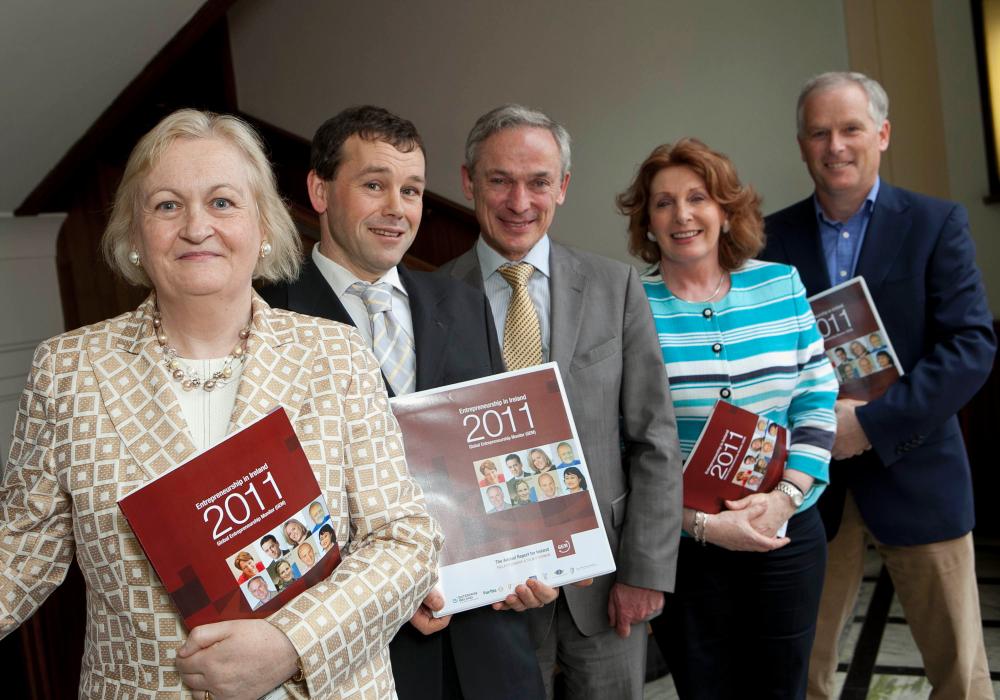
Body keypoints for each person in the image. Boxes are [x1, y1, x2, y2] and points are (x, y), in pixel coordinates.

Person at [0, 109, 441, 700]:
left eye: (223, 203)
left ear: (263, 226)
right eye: (166, 205)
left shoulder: (335, 355)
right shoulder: (69, 371)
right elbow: (19, 552)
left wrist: (291, 644)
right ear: (134, 235)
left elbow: (405, 540)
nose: (196, 227)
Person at [260, 105, 546, 700]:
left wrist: (531, 557)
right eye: (374, 185)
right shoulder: (267, 321)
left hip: (491, 639)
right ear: (319, 190)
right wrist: (387, 591)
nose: (397, 208)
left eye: (411, 190)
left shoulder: (463, 303)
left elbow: (497, 454)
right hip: (362, 654)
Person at [762, 71, 996, 699]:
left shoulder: (935, 223)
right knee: (798, 671)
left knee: (960, 675)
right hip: (809, 487)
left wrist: (868, 425)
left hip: (919, 471)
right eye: (819, 132)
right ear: (801, 143)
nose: (835, 145)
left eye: (850, 129)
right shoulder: (766, 239)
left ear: (882, 135)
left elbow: (972, 347)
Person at [442, 104, 683, 699]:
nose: (519, 201)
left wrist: (647, 571)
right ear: (469, 182)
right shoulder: (431, 299)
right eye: (499, 180)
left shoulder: (615, 286)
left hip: (604, 587)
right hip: (490, 597)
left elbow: (655, 437)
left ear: (564, 187)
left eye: (538, 181)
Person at [616, 137, 838, 698]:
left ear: (725, 209)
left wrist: (784, 497)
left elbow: (817, 398)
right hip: (685, 548)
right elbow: (622, 439)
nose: (682, 215)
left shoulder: (780, 284)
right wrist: (703, 525)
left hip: (784, 533)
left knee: (781, 687)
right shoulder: (625, 305)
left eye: (698, 198)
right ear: (647, 221)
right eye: (663, 203)